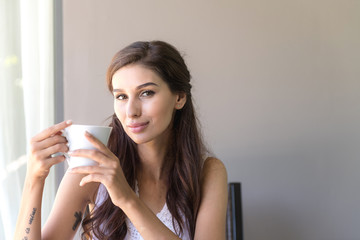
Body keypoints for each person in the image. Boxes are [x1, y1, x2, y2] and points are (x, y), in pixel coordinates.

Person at [14, 41, 228, 240]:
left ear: (179, 98)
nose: (131, 112)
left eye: (146, 93)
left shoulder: (207, 172)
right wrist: (34, 179)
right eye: (121, 96)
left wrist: (126, 198)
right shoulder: (92, 168)